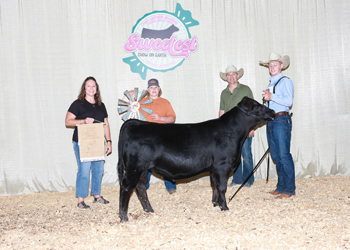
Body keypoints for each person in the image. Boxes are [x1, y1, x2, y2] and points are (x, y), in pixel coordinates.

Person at [65, 76, 112, 208]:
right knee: (84, 171)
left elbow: (106, 125)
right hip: (82, 143)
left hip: (97, 143)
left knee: (98, 169)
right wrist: (83, 121)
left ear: (97, 89)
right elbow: (68, 121)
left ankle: (96, 195)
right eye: (88, 86)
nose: (91, 88)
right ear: (84, 89)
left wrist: (108, 141)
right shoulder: (77, 104)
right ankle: (80, 200)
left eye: (93, 86)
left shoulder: (101, 105)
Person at [260, 52, 295, 199]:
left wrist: (271, 96)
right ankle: (281, 187)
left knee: (284, 155)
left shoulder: (286, 81)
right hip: (272, 121)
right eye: (270, 65)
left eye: (275, 64)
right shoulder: (270, 84)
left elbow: (288, 102)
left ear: (281, 65)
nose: (272, 67)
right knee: (276, 156)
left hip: (281, 120)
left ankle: (289, 189)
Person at [139, 78, 177, 194]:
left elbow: (172, 118)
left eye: (155, 87)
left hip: (162, 137)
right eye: (151, 87)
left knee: (166, 162)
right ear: (147, 90)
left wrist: (160, 118)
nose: (154, 89)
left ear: (159, 89)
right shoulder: (141, 103)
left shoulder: (165, 102)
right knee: (146, 162)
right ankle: (144, 186)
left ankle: (171, 186)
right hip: (147, 137)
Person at [219, 65, 255, 187]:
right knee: (234, 156)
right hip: (230, 131)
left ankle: (248, 180)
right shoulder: (224, 93)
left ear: (237, 76)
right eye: (229, 74)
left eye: (233, 74)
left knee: (246, 155)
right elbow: (222, 112)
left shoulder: (245, 90)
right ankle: (237, 179)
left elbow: (253, 109)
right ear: (226, 78)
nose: (231, 76)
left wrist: (251, 127)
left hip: (244, 128)